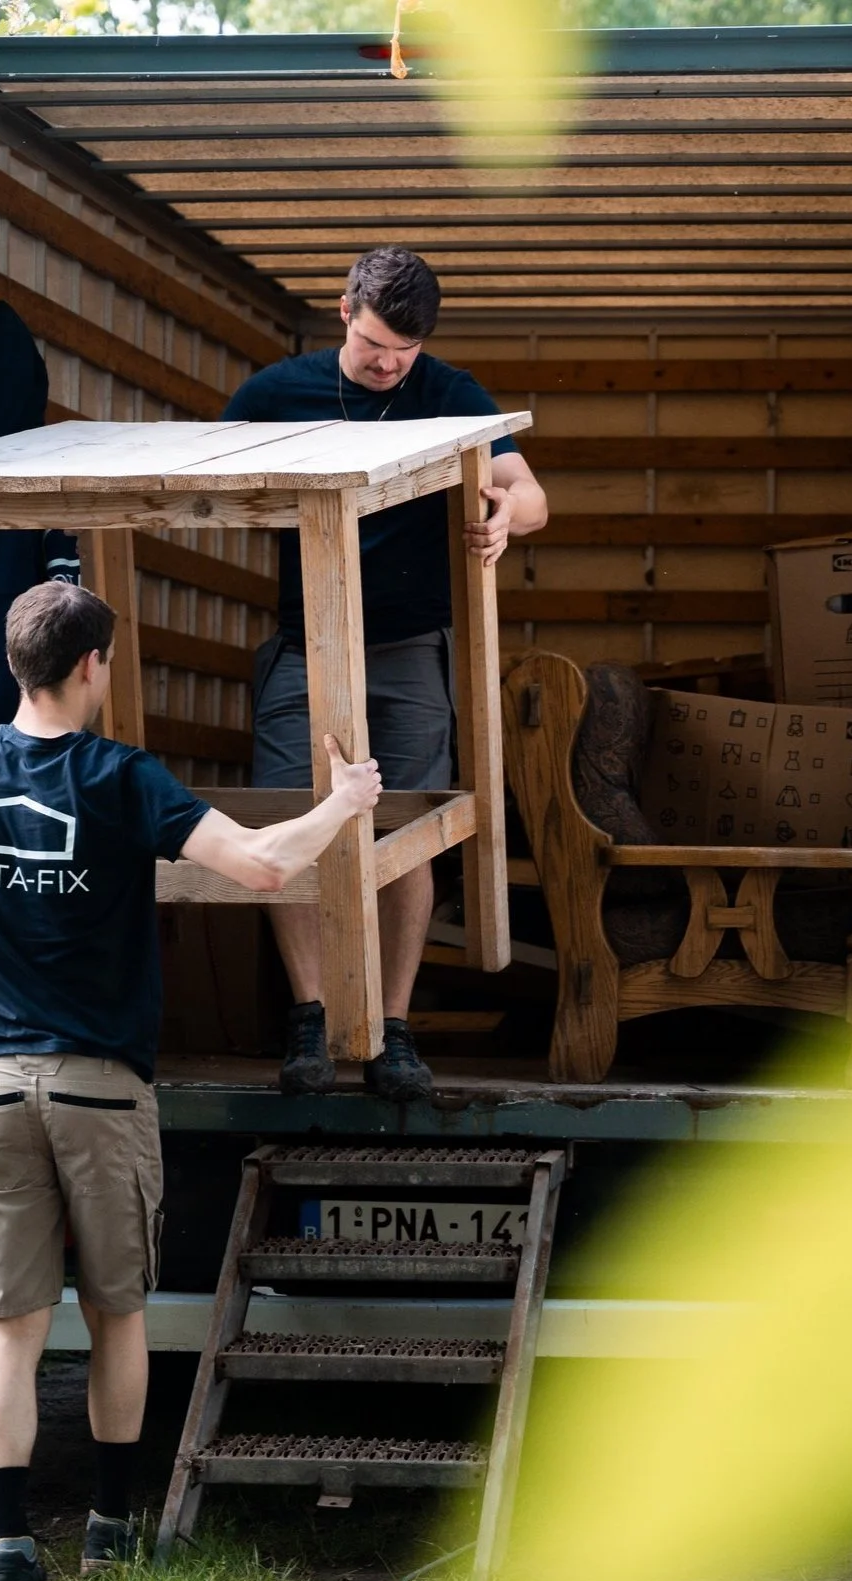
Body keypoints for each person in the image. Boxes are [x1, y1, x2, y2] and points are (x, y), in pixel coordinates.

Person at [0, 582, 381, 1581]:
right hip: (99, 1092)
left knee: (9, 1329)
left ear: (18, 664)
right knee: (117, 1317)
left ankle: (8, 1548)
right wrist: (346, 801)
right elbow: (263, 866)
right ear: (93, 664)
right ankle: (106, 1529)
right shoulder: (120, 776)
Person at [222, 245, 549, 1101]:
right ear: (344, 313)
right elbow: (210, 482)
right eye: (374, 345)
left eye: (405, 351)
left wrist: (505, 514)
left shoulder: (450, 392)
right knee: (287, 819)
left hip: (409, 646)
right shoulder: (274, 393)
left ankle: (393, 1031)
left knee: (409, 830)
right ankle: (311, 1018)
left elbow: (531, 493)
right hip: (305, 642)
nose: (388, 365)